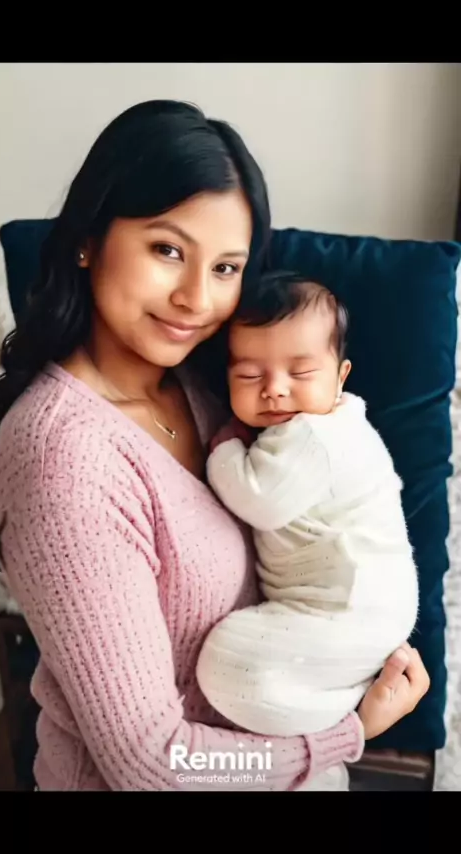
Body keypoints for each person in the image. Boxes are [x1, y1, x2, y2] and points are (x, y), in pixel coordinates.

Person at [0, 100, 429, 792]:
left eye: (226, 268)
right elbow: (152, 763)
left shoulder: (203, 385)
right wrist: (349, 733)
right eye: (168, 250)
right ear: (88, 239)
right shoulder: (63, 463)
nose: (196, 298)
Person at [195, 272, 419, 788]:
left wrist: (224, 448)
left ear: (341, 377)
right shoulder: (325, 426)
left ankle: (342, 714)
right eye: (250, 375)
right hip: (358, 608)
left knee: (227, 663)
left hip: (348, 608)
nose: (275, 389)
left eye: (300, 371)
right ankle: (328, 725)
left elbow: (257, 498)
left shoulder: (315, 436)